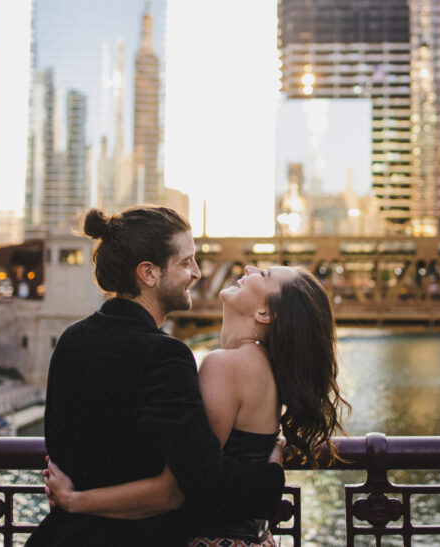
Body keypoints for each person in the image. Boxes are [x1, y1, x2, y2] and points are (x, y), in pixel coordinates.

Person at [26, 206, 286, 547]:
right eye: (185, 262)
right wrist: (272, 463)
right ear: (148, 273)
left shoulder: (72, 339)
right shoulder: (165, 356)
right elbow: (189, 484)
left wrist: (74, 501)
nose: (196, 273)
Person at [43, 263, 350, 546]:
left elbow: (174, 489)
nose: (249, 267)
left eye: (265, 274)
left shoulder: (227, 365)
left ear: (264, 314)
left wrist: (75, 500)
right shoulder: (262, 367)